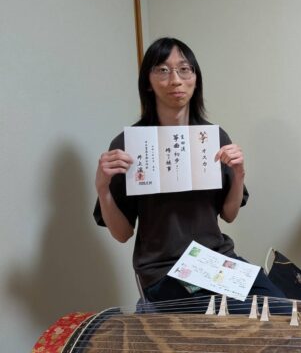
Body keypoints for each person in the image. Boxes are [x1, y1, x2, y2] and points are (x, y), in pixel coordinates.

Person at [94, 37, 286, 312]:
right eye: (163, 70)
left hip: (214, 260)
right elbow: (123, 234)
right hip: (163, 271)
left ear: (196, 79)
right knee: (221, 324)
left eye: (184, 69)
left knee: (281, 309)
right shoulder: (130, 145)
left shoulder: (213, 137)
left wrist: (239, 175)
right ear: (148, 82)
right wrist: (103, 189)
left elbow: (229, 214)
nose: (176, 80)